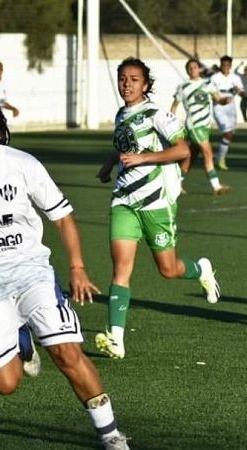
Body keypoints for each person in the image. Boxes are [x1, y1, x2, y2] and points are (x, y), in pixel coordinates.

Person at [0, 92, 129, 450]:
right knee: (6, 383)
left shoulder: (23, 165)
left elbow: (62, 218)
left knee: (66, 352)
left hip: (31, 273)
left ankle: (111, 436)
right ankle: (21, 339)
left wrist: (76, 267)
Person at [95, 58, 221, 361]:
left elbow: (182, 149)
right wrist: (109, 164)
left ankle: (201, 269)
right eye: (122, 78)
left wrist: (144, 159)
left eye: (134, 79)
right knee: (121, 269)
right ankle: (117, 339)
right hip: (124, 199)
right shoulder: (121, 114)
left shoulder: (156, 114)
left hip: (156, 202)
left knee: (168, 269)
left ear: (146, 85)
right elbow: (124, 146)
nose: (127, 84)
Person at [170, 58, 231, 195]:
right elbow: (174, 106)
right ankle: (216, 186)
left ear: (199, 69)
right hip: (194, 126)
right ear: (187, 71)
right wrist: (170, 123)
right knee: (208, 152)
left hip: (205, 126)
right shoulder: (183, 87)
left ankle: (176, 184)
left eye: (195, 67)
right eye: (190, 68)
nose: (193, 70)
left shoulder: (207, 83)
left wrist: (225, 100)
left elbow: (218, 99)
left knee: (189, 157)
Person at [209, 55, 245, 170]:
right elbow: (211, 94)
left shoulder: (235, 77)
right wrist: (220, 99)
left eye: (228, 65)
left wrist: (238, 90)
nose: (226, 67)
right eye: (223, 65)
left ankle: (218, 157)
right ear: (221, 65)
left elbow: (242, 93)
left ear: (230, 66)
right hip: (219, 107)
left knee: (230, 133)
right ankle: (221, 159)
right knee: (228, 133)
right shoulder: (215, 77)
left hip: (231, 107)